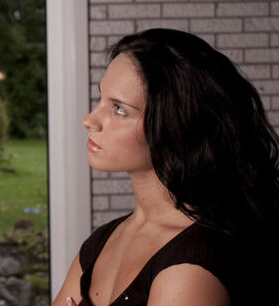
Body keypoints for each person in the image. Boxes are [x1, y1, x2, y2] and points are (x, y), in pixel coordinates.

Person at [53, 28, 279, 306]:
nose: (89, 120)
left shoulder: (193, 265)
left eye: (119, 109)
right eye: (102, 99)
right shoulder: (101, 242)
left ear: (174, 125)